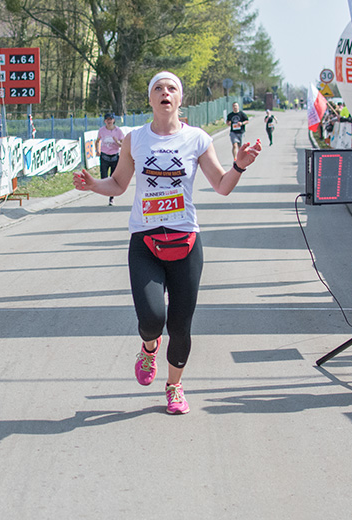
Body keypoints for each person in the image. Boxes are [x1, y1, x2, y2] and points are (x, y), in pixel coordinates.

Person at [74, 71, 262, 414]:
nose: (165, 92)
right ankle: (148, 349)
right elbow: (118, 184)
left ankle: (174, 387)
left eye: (171, 88)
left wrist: (239, 166)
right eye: (158, 88)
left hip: (186, 240)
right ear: (150, 99)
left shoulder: (197, 139)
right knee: (151, 318)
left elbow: (222, 185)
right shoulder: (134, 139)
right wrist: (92, 185)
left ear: (180, 98)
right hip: (144, 240)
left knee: (180, 326)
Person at [95, 113, 125, 206]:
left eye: (110, 119)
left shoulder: (118, 131)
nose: (109, 121)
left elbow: (122, 144)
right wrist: (97, 150)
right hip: (104, 156)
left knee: (113, 178)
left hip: (115, 156)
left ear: (113, 120)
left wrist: (117, 141)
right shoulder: (101, 130)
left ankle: (111, 198)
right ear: (104, 121)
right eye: (107, 119)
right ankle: (107, 191)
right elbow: (97, 141)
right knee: (103, 177)